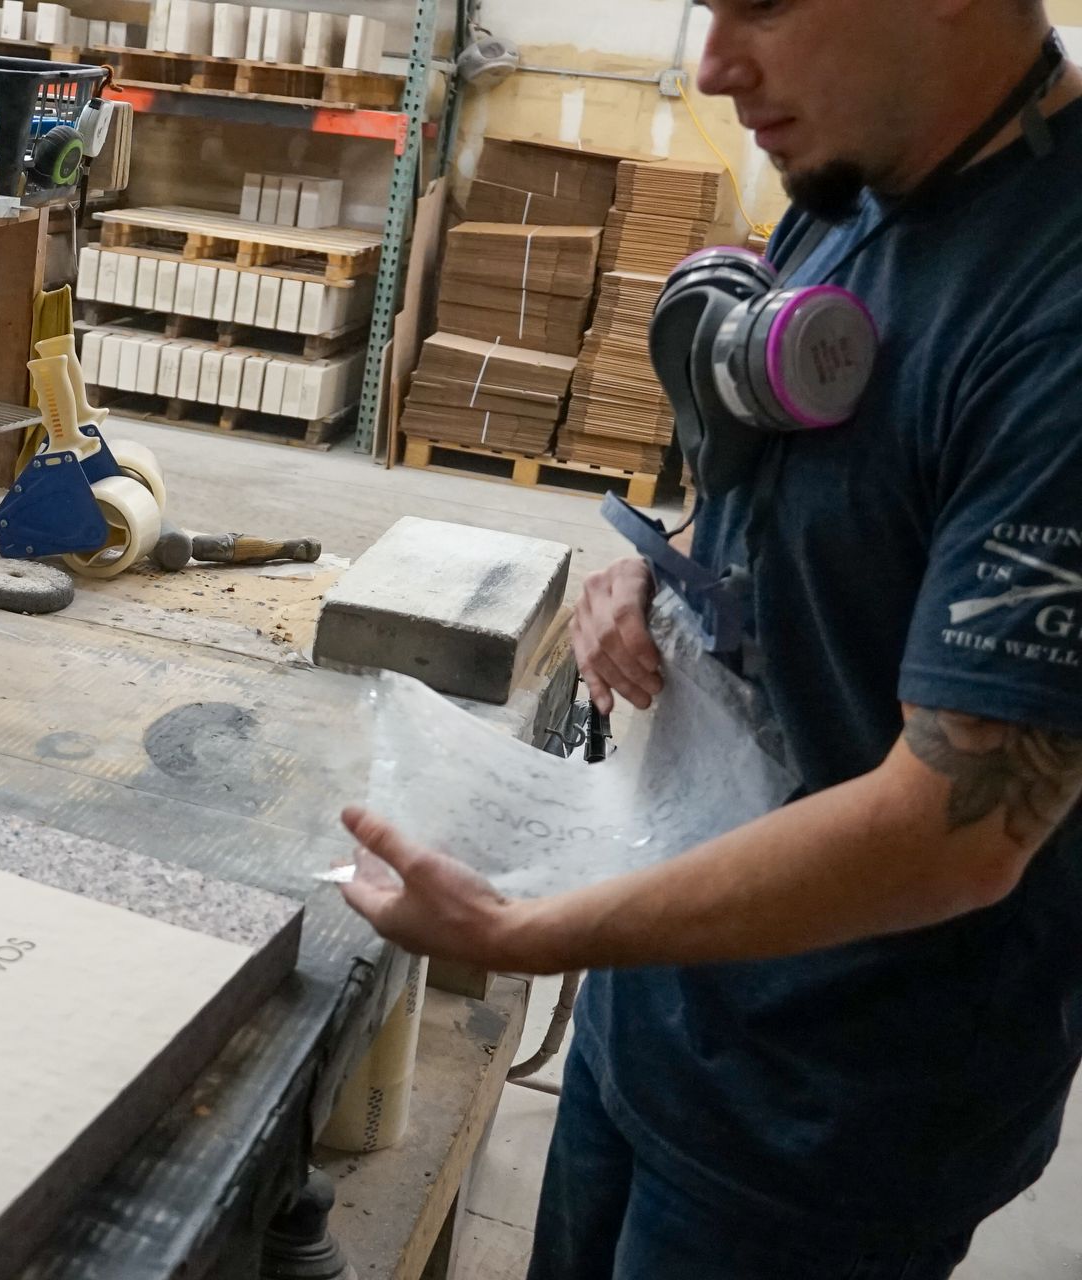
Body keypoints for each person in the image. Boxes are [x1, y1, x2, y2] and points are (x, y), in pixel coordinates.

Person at [337, 0, 1082, 1275]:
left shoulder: (1053, 313)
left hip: (828, 1115)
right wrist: (661, 573)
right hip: (664, 986)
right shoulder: (849, 182)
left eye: (768, 6)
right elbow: (790, 480)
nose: (714, 64)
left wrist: (536, 934)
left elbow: (957, 831)